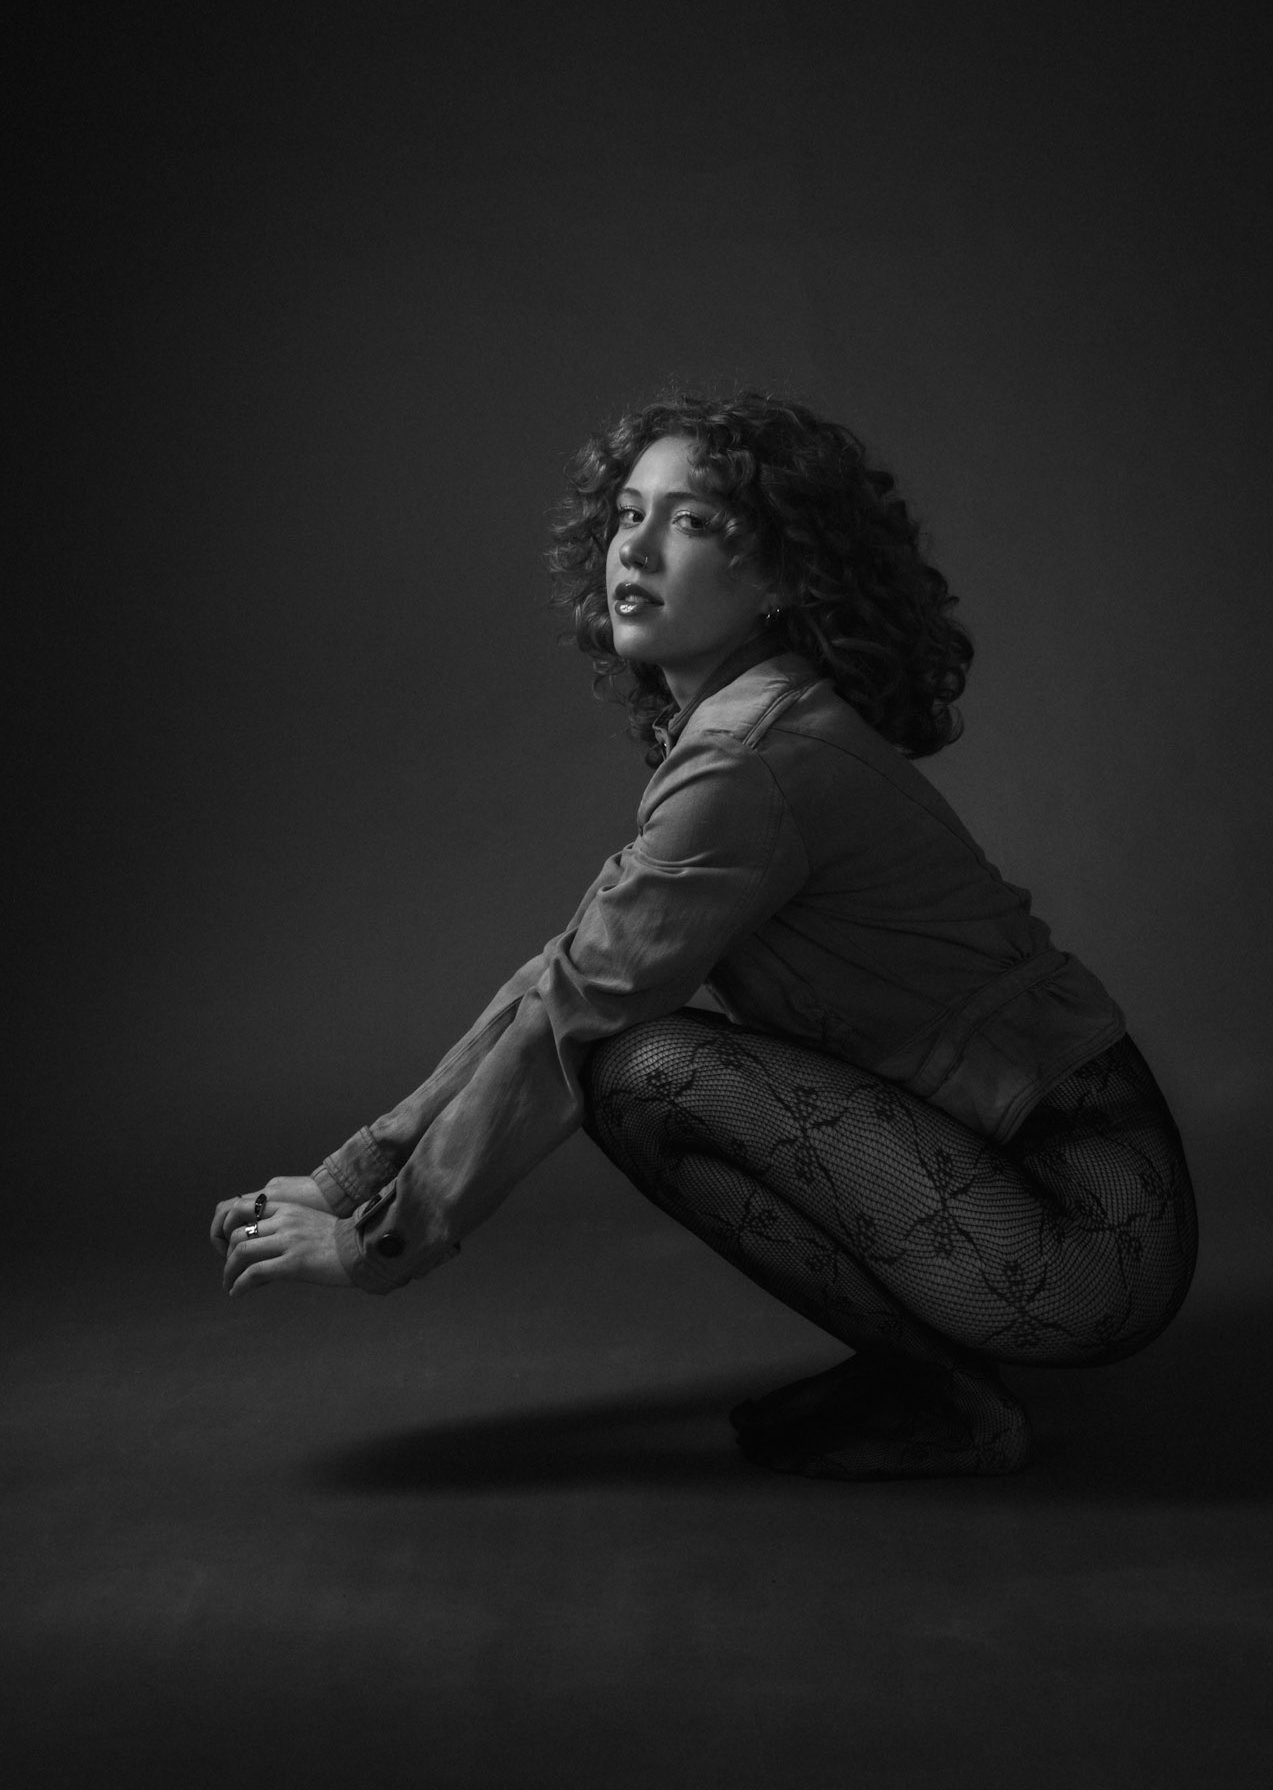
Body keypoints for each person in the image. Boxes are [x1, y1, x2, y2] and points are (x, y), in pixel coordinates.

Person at [210, 392, 1198, 1479]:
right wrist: (352, 1175)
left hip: (1086, 1235)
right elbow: (564, 974)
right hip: (1017, 1181)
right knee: (625, 1066)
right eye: (627, 515)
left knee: (636, 1067)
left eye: (690, 521)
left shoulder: (753, 758)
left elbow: (568, 1022)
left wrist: (374, 1244)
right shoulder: (745, 729)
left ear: (782, 577)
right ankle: (934, 1386)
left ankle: (950, 1398)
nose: (633, 549)